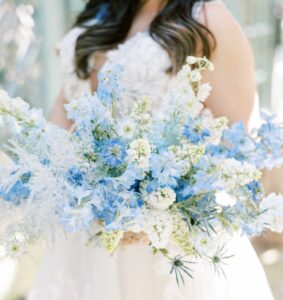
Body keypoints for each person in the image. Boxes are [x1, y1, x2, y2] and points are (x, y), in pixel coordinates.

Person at [28, 1, 274, 299]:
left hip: (171, 247)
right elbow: (65, 113)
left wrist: (160, 205)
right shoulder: (100, 12)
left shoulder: (208, 20)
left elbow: (240, 144)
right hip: (89, 235)